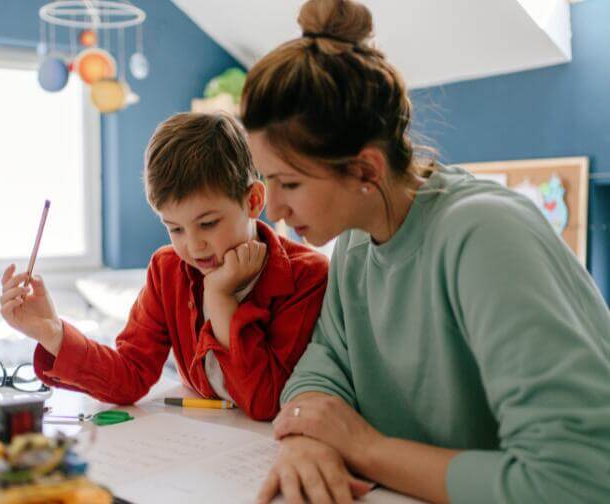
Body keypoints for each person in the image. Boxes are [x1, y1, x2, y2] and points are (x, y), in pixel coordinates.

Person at [240, 0, 610, 502]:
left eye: (289, 183)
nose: (274, 208)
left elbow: (575, 481)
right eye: (267, 179)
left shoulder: (484, 235)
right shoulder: (354, 240)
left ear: (366, 171)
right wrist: (307, 438)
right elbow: (324, 360)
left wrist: (366, 449)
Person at [0, 112, 329, 421]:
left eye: (209, 223)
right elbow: (130, 375)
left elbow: (265, 402)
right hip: (200, 443)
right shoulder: (168, 269)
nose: (194, 245)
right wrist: (52, 332)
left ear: (253, 201)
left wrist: (221, 299)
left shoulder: (306, 276)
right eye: (175, 229)